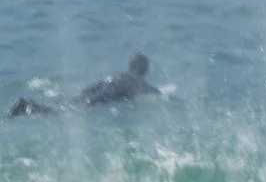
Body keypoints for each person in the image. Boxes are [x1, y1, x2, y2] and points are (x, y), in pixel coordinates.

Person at [11, 52, 160, 116]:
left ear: (130, 66)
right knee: (72, 111)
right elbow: (154, 93)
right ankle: (31, 107)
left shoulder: (120, 74)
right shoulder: (141, 83)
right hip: (112, 90)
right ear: (145, 70)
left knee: (74, 101)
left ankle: (31, 105)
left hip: (106, 83)